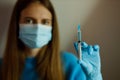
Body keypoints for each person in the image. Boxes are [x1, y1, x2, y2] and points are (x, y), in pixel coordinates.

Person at [0, 0, 102, 80]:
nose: (37, 27)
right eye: (29, 20)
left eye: (45, 22)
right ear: (16, 25)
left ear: (52, 27)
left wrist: (94, 77)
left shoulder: (71, 64)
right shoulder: (2, 67)